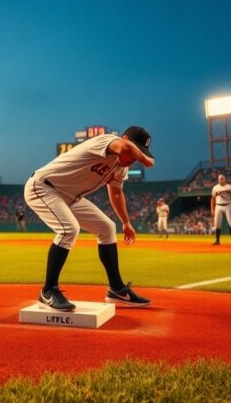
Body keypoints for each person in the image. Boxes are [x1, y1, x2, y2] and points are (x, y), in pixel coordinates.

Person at [24, 125, 155, 311]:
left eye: (140, 153)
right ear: (124, 139)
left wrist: (126, 222)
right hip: (44, 187)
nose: (135, 158)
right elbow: (125, 148)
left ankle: (117, 290)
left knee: (107, 228)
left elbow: (116, 194)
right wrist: (145, 159)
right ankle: (48, 291)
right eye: (136, 151)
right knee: (68, 229)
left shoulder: (120, 168)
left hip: (70, 197)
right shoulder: (105, 140)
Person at [210, 174, 231, 245]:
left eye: (222, 178)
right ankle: (217, 241)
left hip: (227, 205)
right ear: (218, 179)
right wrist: (212, 209)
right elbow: (213, 199)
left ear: (225, 179)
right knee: (217, 224)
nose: (221, 179)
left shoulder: (230, 187)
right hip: (218, 206)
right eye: (220, 178)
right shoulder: (215, 187)